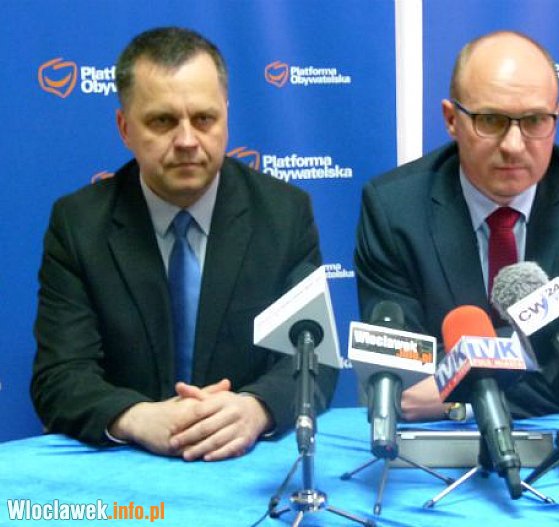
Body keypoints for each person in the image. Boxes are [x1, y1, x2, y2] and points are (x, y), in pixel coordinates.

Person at [31, 27, 337, 461]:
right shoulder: (79, 225)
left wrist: (256, 409)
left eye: (204, 119)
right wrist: (136, 417)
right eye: (162, 121)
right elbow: (60, 376)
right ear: (124, 128)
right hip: (127, 466)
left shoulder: (284, 214)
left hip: (244, 463)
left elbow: (313, 358)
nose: (188, 141)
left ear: (226, 117)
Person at [354, 30, 559, 422]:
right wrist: (530, 358)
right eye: (490, 120)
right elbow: (405, 378)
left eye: (535, 120)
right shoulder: (394, 210)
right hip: (438, 447)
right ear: (451, 119)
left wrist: (457, 397)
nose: (513, 145)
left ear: (556, 118)